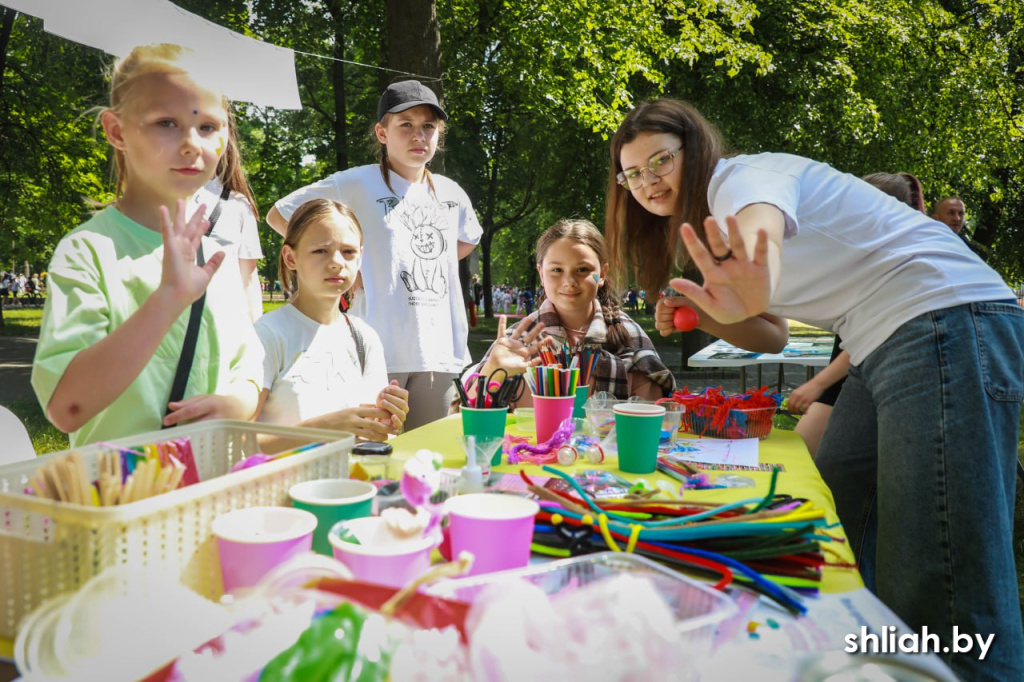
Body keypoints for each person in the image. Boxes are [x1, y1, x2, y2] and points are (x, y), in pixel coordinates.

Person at [606, 98, 1023, 680]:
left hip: (944, 319)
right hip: (884, 343)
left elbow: (762, 233)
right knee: (839, 512)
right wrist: (706, 310)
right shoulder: (712, 224)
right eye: (633, 174)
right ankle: (880, 661)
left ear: (695, 151)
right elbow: (771, 333)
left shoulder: (739, 181)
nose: (648, 181)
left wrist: (755, 272)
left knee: (942, 574)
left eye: (661, 161)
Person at [31, 44, 263, 448]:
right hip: (121, 500)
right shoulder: (88, 252)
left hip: (212, 497)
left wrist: (236, 404)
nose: (192, 143)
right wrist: (168, 298)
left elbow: (250, 373)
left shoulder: (217, 260)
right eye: (166, 123)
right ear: (116, 131)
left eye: (208, 126)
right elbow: (66, 407)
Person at [267, 80, 481, 430]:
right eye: (406, 125)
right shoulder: (355, 183)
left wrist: (411, 262)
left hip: (440, 355)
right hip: (377, 347)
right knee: (376, 450)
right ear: (382, 133)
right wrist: (355, 268)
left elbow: (467, 239)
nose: (419, 135)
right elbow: (280, 214)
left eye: (429, 126)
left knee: (429, 459)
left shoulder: (451, 193)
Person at [463, 219, 675, 408]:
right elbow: (463, 416)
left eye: (582, 269)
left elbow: (656, 416)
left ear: (602, 274)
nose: (569, 281)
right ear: (541, 274)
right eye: (557, 270)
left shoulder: (630, 335)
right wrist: (491, 370)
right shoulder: (516, 339)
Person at [788, 171, 927, 456]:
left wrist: (818, 383)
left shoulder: (900, 259)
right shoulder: (871, 254)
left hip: (862, 379)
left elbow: (875, 332)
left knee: (808, 465)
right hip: (850, 378)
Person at [253, 199, 409, 440]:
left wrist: (384, 421)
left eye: (348, 252)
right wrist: (325, 429)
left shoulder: (364, 338)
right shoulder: (266, 335)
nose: (337, 262)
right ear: (290, 257)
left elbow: (371, 438)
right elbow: (238, 443)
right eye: (320, 251)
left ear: (360, 257)